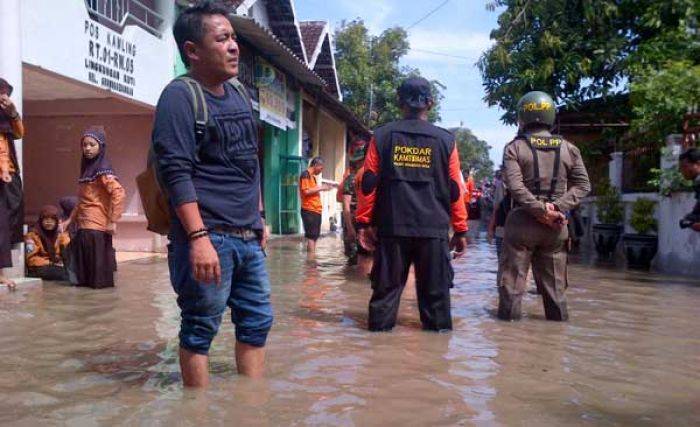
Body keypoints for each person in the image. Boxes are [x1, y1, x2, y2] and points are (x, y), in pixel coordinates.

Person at [153, 1, 273, 387]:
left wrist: (260, 218)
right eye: (222, 39)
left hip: (248, 236)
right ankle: (198, 412)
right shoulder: (178, 97)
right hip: (208, 236)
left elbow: (249, 163)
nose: (234, 46)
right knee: (200, 328)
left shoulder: (238, 92)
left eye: (234, 38)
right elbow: (176, 172)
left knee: (256, 322)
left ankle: (250, 405)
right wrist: (198, 237)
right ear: (193, 50)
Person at [356, 77, 468, 332]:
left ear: (399, 101)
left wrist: (363, 223)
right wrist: (460, 229)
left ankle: (376, 354)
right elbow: (454, 190)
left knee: (385, 297)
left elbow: (369, 183)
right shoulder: (446, 141)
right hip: (434, 232)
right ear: (430, 103)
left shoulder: (382, 136)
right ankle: (437, 362)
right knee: (437, 302)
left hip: (392, 228)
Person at [498, 91, 591, 322]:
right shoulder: (570, 149)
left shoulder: (514, 148)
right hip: (557, 228)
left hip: (521, 225)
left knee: (512, 288)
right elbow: (583, 185)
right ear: (551, 116)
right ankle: (556, 339)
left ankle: (508, 340)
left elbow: (515, 188)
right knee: (556, 291)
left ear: (521, 117)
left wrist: (541, 211)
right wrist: (556, 208)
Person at [64, 126, 124, 289]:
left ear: (101, 147)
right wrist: (70, 220)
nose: (87, 148)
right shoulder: (87, 170)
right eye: (84, 145)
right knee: (85, 282)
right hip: (84, 229)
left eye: (92, 144)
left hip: (96, 230)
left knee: (98, 282)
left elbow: (118, 193)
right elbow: (83, 200)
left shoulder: (102, 170)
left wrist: (113, 221)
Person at [0, 78, 24, 291]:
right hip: (3, 176)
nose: (4, 98)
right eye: (1, 93)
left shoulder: (6, 118)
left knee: (7, 225)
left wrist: (13, 111)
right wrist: (4, 170)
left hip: (8, 178)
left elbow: (19, 133)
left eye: (7, 93)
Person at [299, 157, 335, 256]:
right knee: (311, 237)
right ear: (316, 165)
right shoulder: (305, 174)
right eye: (321, 168)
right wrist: (322, 187)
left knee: (314, 237)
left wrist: (323, 188)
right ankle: (310, 261)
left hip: (315, 210)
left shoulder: (313, 177)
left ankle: (311, 259)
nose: (321, 170)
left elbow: (312, 190)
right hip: (309, 210)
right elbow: (306, 191)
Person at [25, 205, 71, 281]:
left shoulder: (59, 234)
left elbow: (67, 248)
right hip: (40, 266)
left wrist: (63, 235)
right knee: (64, 275)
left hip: (56, 265)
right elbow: (31, 259)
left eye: (52, 219)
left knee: (71, 273)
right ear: (41, 220)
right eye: (46, 219)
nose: (49, 222)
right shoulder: (33, 235)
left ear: (56, 221)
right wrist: (49, 262)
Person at [341, 145, 367, 266]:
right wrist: (350, 228)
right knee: (353, 259)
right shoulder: (351, 179)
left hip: (362, 222)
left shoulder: (368, 177)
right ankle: (351, 282)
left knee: (363, 257)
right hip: (353, 221)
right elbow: (346, 206)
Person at [679, 148, 700, 232]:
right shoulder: (697, 181)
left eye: (685, 166)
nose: (682, 171)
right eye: (681, 168)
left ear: (698, 164)